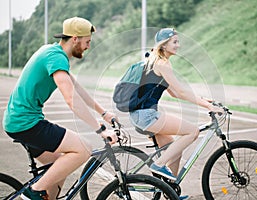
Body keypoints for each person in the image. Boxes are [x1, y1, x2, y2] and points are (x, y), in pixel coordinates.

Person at [2, 17, 118, 200]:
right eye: (87, 42)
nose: (88, 46)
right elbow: (71, 99)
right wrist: (100, 130)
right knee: (83, 149)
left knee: (59, 167)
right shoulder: (55, 57)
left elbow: (77, 89)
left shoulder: (53, 53)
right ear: (75, 39)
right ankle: (33, 193)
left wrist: (104, 113)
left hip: (20, 121)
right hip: (25, 122)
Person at [129, 28, 223, 183]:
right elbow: (181, 91)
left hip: (140, 115)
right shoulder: (162, 63)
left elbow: (175, 93)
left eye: (178, 41)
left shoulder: (156, 61)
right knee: (192, 131)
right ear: (164, 45)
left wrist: (203, 99)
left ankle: (170, 190)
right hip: (147, 117)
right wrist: (207, 106)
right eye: (174, 42)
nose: (178, 45)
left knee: (174, 150)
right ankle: (158, 165)